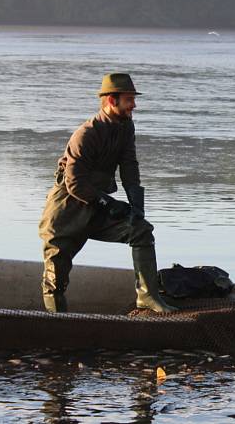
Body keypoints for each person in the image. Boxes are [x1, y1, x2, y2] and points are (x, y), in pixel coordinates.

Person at [38, 73, 176, 314]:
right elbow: (74, 183)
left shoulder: (126, 127)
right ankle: (56, 324)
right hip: (66, 212)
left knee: (141, 231)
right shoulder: (86, 134)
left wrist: (137, 207)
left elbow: (129, 166)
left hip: (96, 209)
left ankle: (147, 297)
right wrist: (109, 203)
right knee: (55, 280)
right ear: (112, 101)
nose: (134, 105)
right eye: (129, 99)